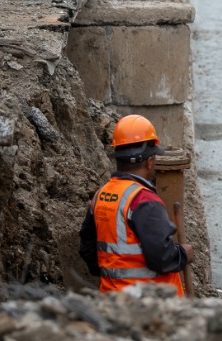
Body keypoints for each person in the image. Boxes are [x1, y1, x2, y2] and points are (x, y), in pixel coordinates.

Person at [78, 115, 192, 296]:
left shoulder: (101, 196)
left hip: (113, 300)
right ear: (149, 162)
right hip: (150, 306)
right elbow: (161, 258)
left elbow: (88, 249)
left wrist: (115, 276)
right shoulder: (143, 200)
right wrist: (183, 254)